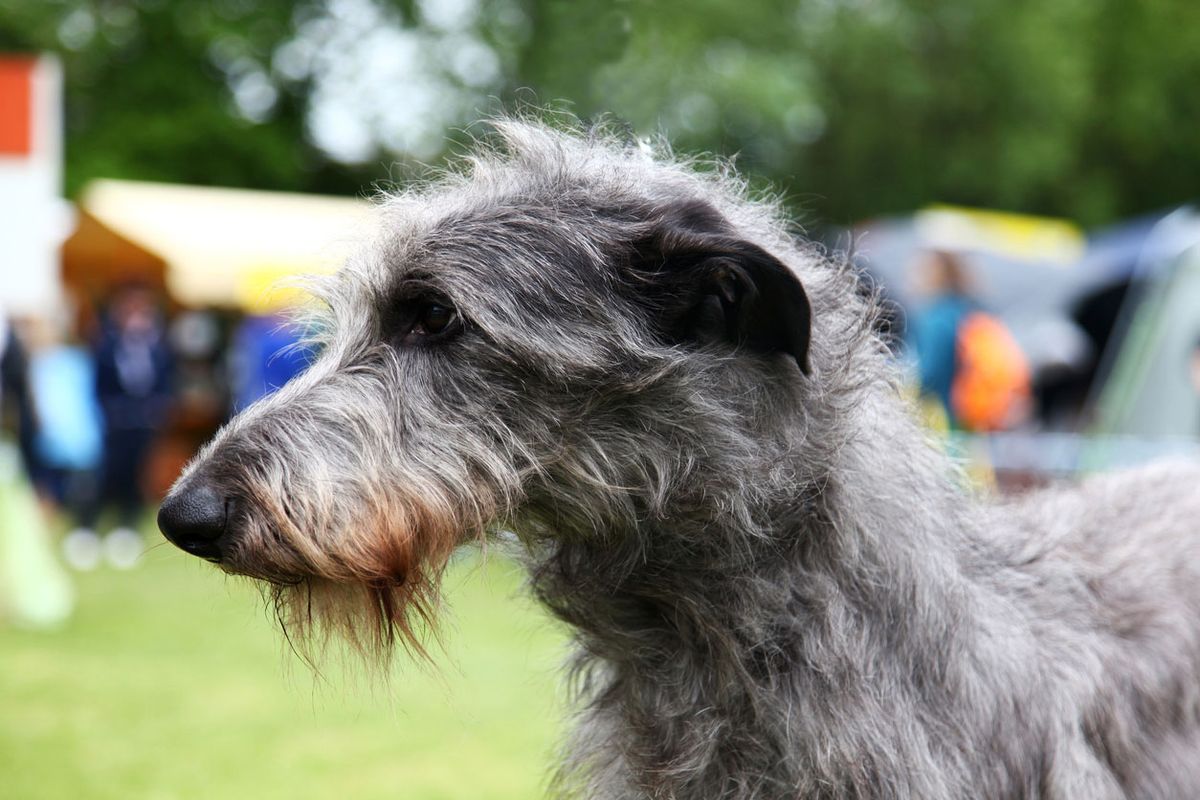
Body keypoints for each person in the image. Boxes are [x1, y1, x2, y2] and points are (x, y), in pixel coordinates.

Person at [88, 284, 174, 568]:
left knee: (138, 474)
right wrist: (111, 412)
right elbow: (99, 386)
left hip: (143, 423)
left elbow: (165, 381)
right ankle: (88, 528)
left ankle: (127, 529)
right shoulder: (108, 346)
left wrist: (156, 408)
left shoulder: (156, 347)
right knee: (109, 474)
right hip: (116, 424)